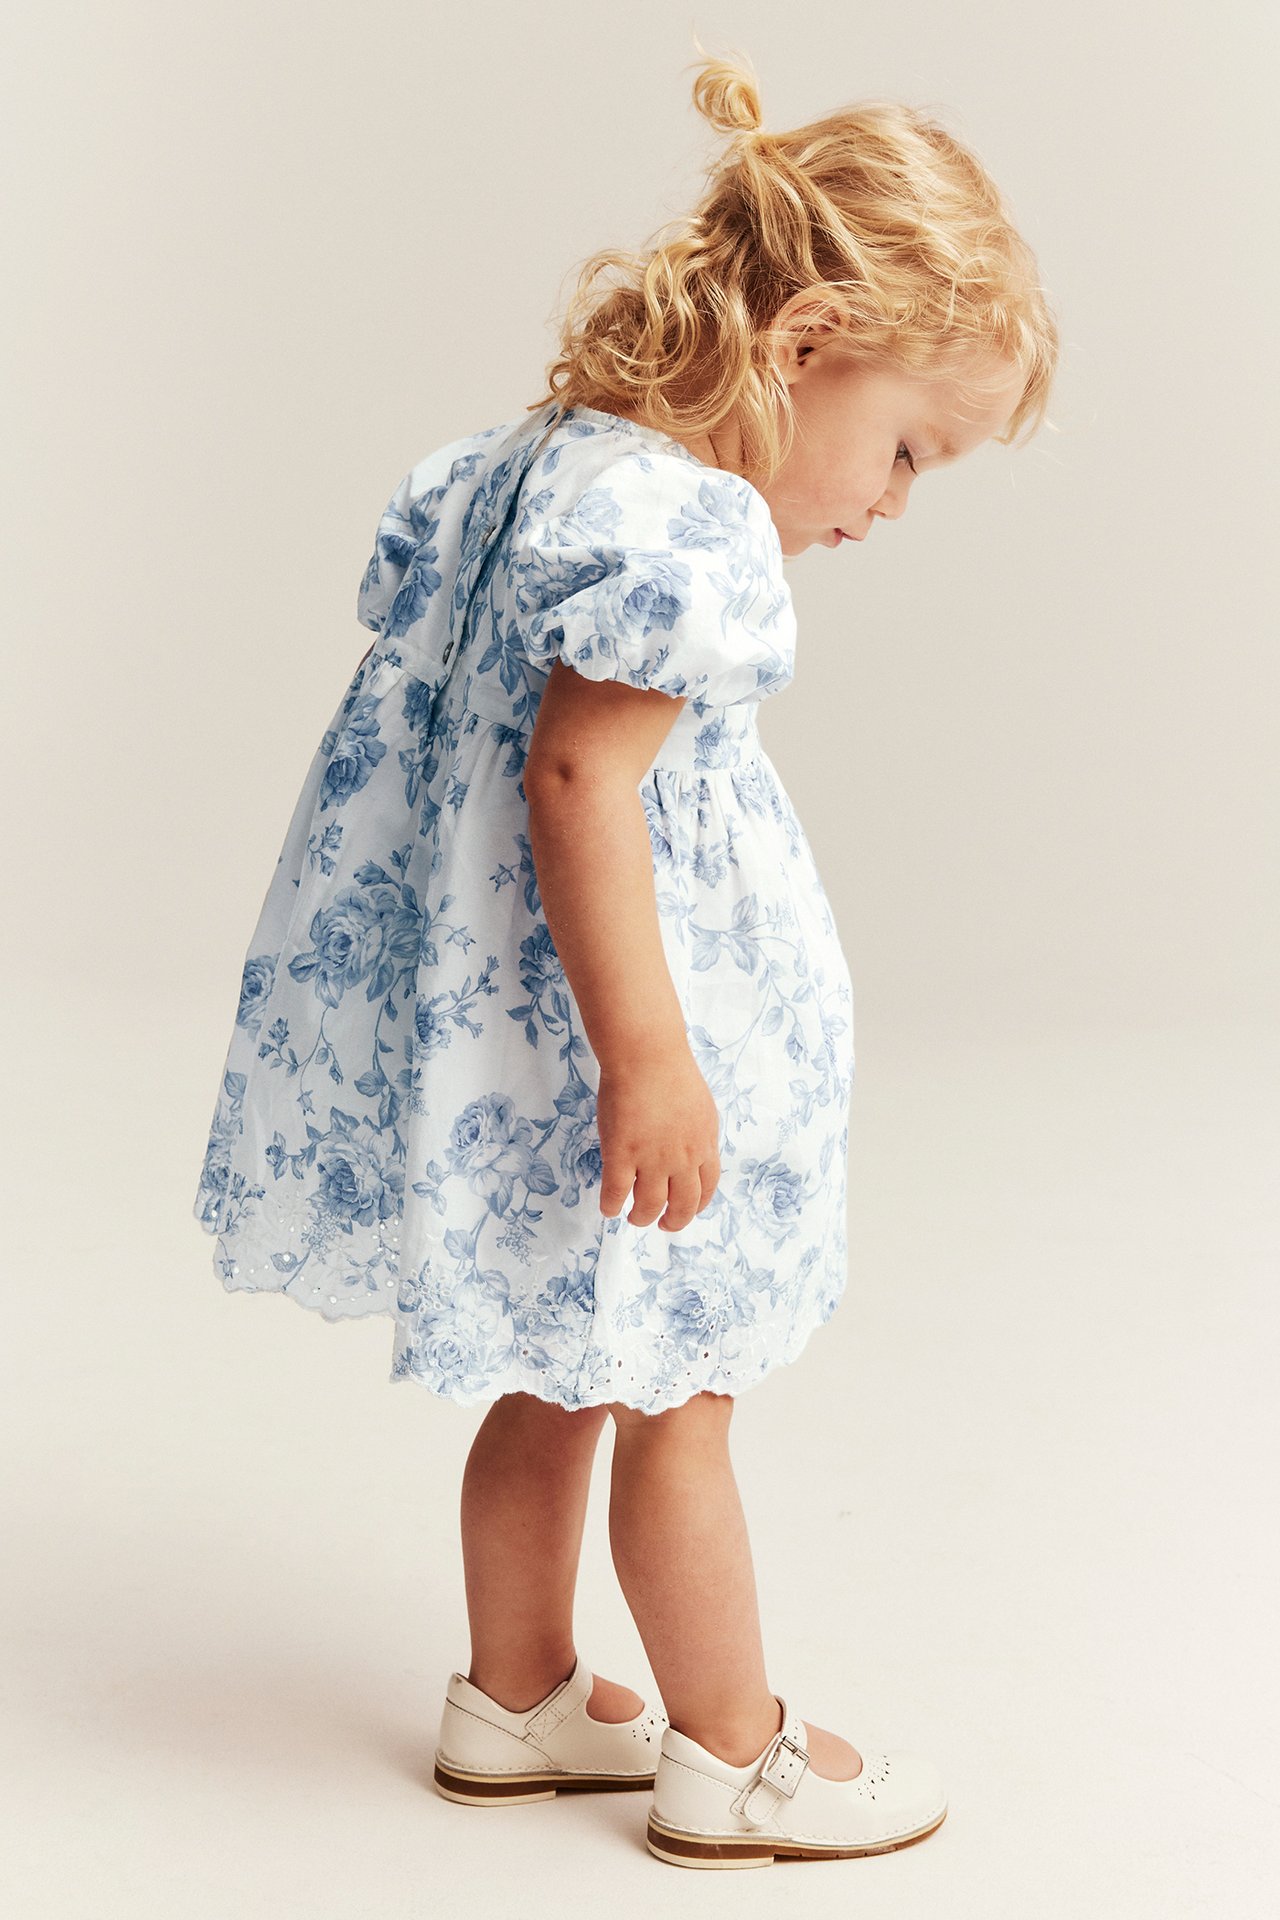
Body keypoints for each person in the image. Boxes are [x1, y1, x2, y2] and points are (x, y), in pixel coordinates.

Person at [192, 46, 1058, 1870]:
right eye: (908, 448)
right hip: (622, 1044)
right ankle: (735, 1756)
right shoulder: (690, 528)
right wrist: (654, 1060)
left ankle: (516, 1698)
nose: (894, 504)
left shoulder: (547, 465)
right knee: (680, 1396)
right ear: (809, 338)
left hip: (519, 1050)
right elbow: (580, 777)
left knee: (559, 1367)